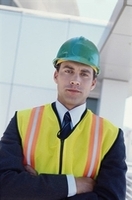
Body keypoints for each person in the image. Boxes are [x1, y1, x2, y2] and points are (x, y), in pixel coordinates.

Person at [0, 36, 127, 200]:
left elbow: (111, 197)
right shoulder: (22, 121)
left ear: (93, 83)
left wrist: (34, 189)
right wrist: (73, 185)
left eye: (84, 74)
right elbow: (4, 185)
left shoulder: (111, 135)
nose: (75, 80)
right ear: (56, 75)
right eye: (68, 71)